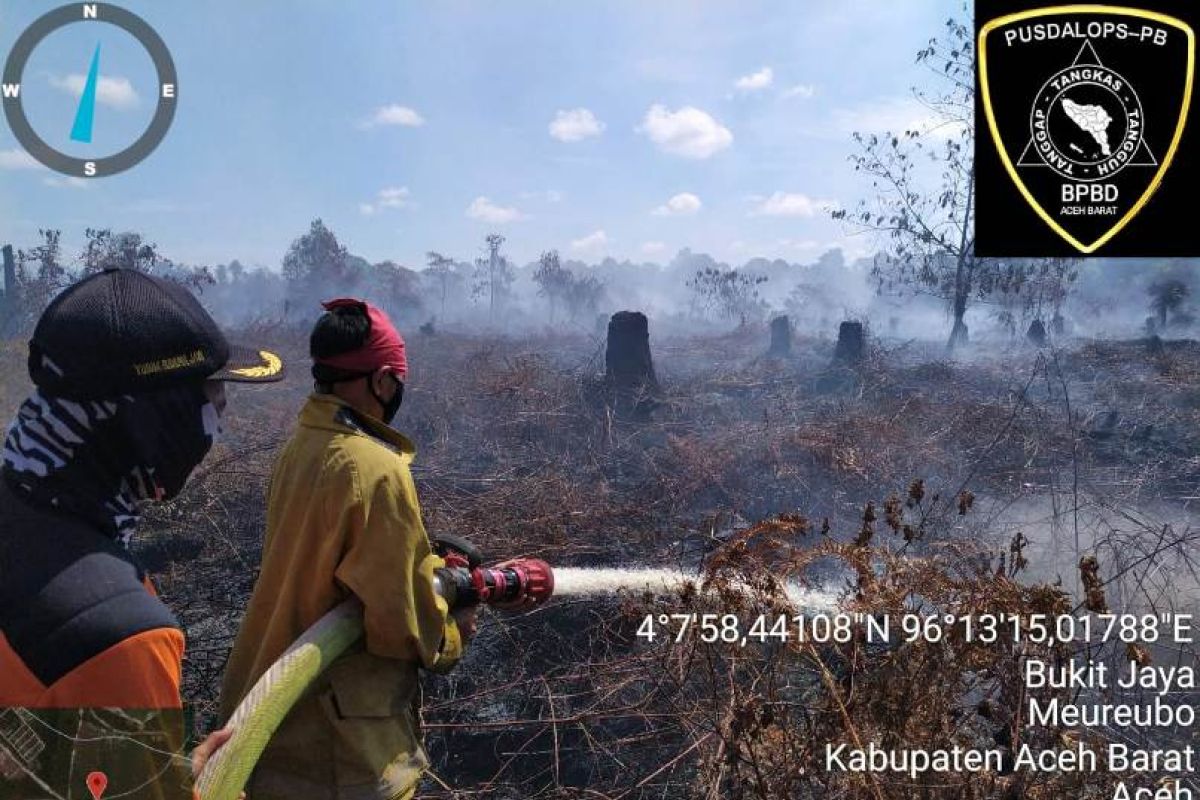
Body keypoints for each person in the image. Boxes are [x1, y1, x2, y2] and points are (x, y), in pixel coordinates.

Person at [0, 268, 284, 798]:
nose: (216, 434)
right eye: (213, 407)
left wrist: (146, 765)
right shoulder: (119, 638)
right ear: (158, 425)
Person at [220, 298, 473, 800]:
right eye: (396, 381)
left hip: (269, 725)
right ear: (382, 380)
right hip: (335, 754)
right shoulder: (375, 469)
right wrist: (455, 623)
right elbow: (401, 628)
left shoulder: (305, 446)